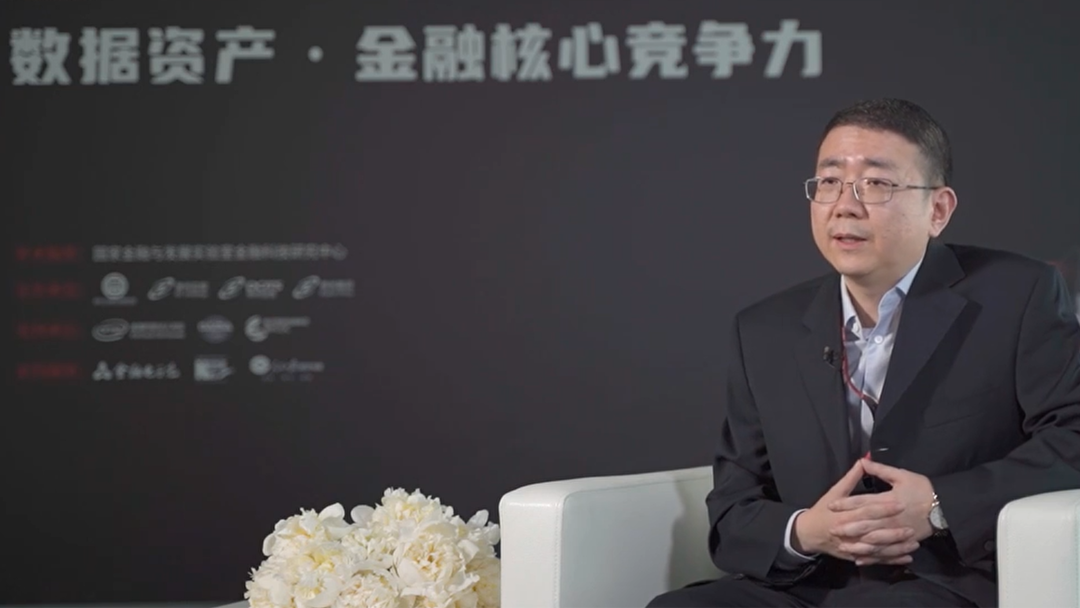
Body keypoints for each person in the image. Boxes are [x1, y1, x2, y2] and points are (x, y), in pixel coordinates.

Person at [647, 98, 1080, 608]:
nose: (844, 205)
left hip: (944, 582)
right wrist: (808, 530)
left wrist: (939, 505)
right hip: (805, 582)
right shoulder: (764, 329)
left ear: (938, 210)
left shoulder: (1017, 294)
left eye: (875, 183)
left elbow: (1071, 438)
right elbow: (733, 504)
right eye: (829, 181)